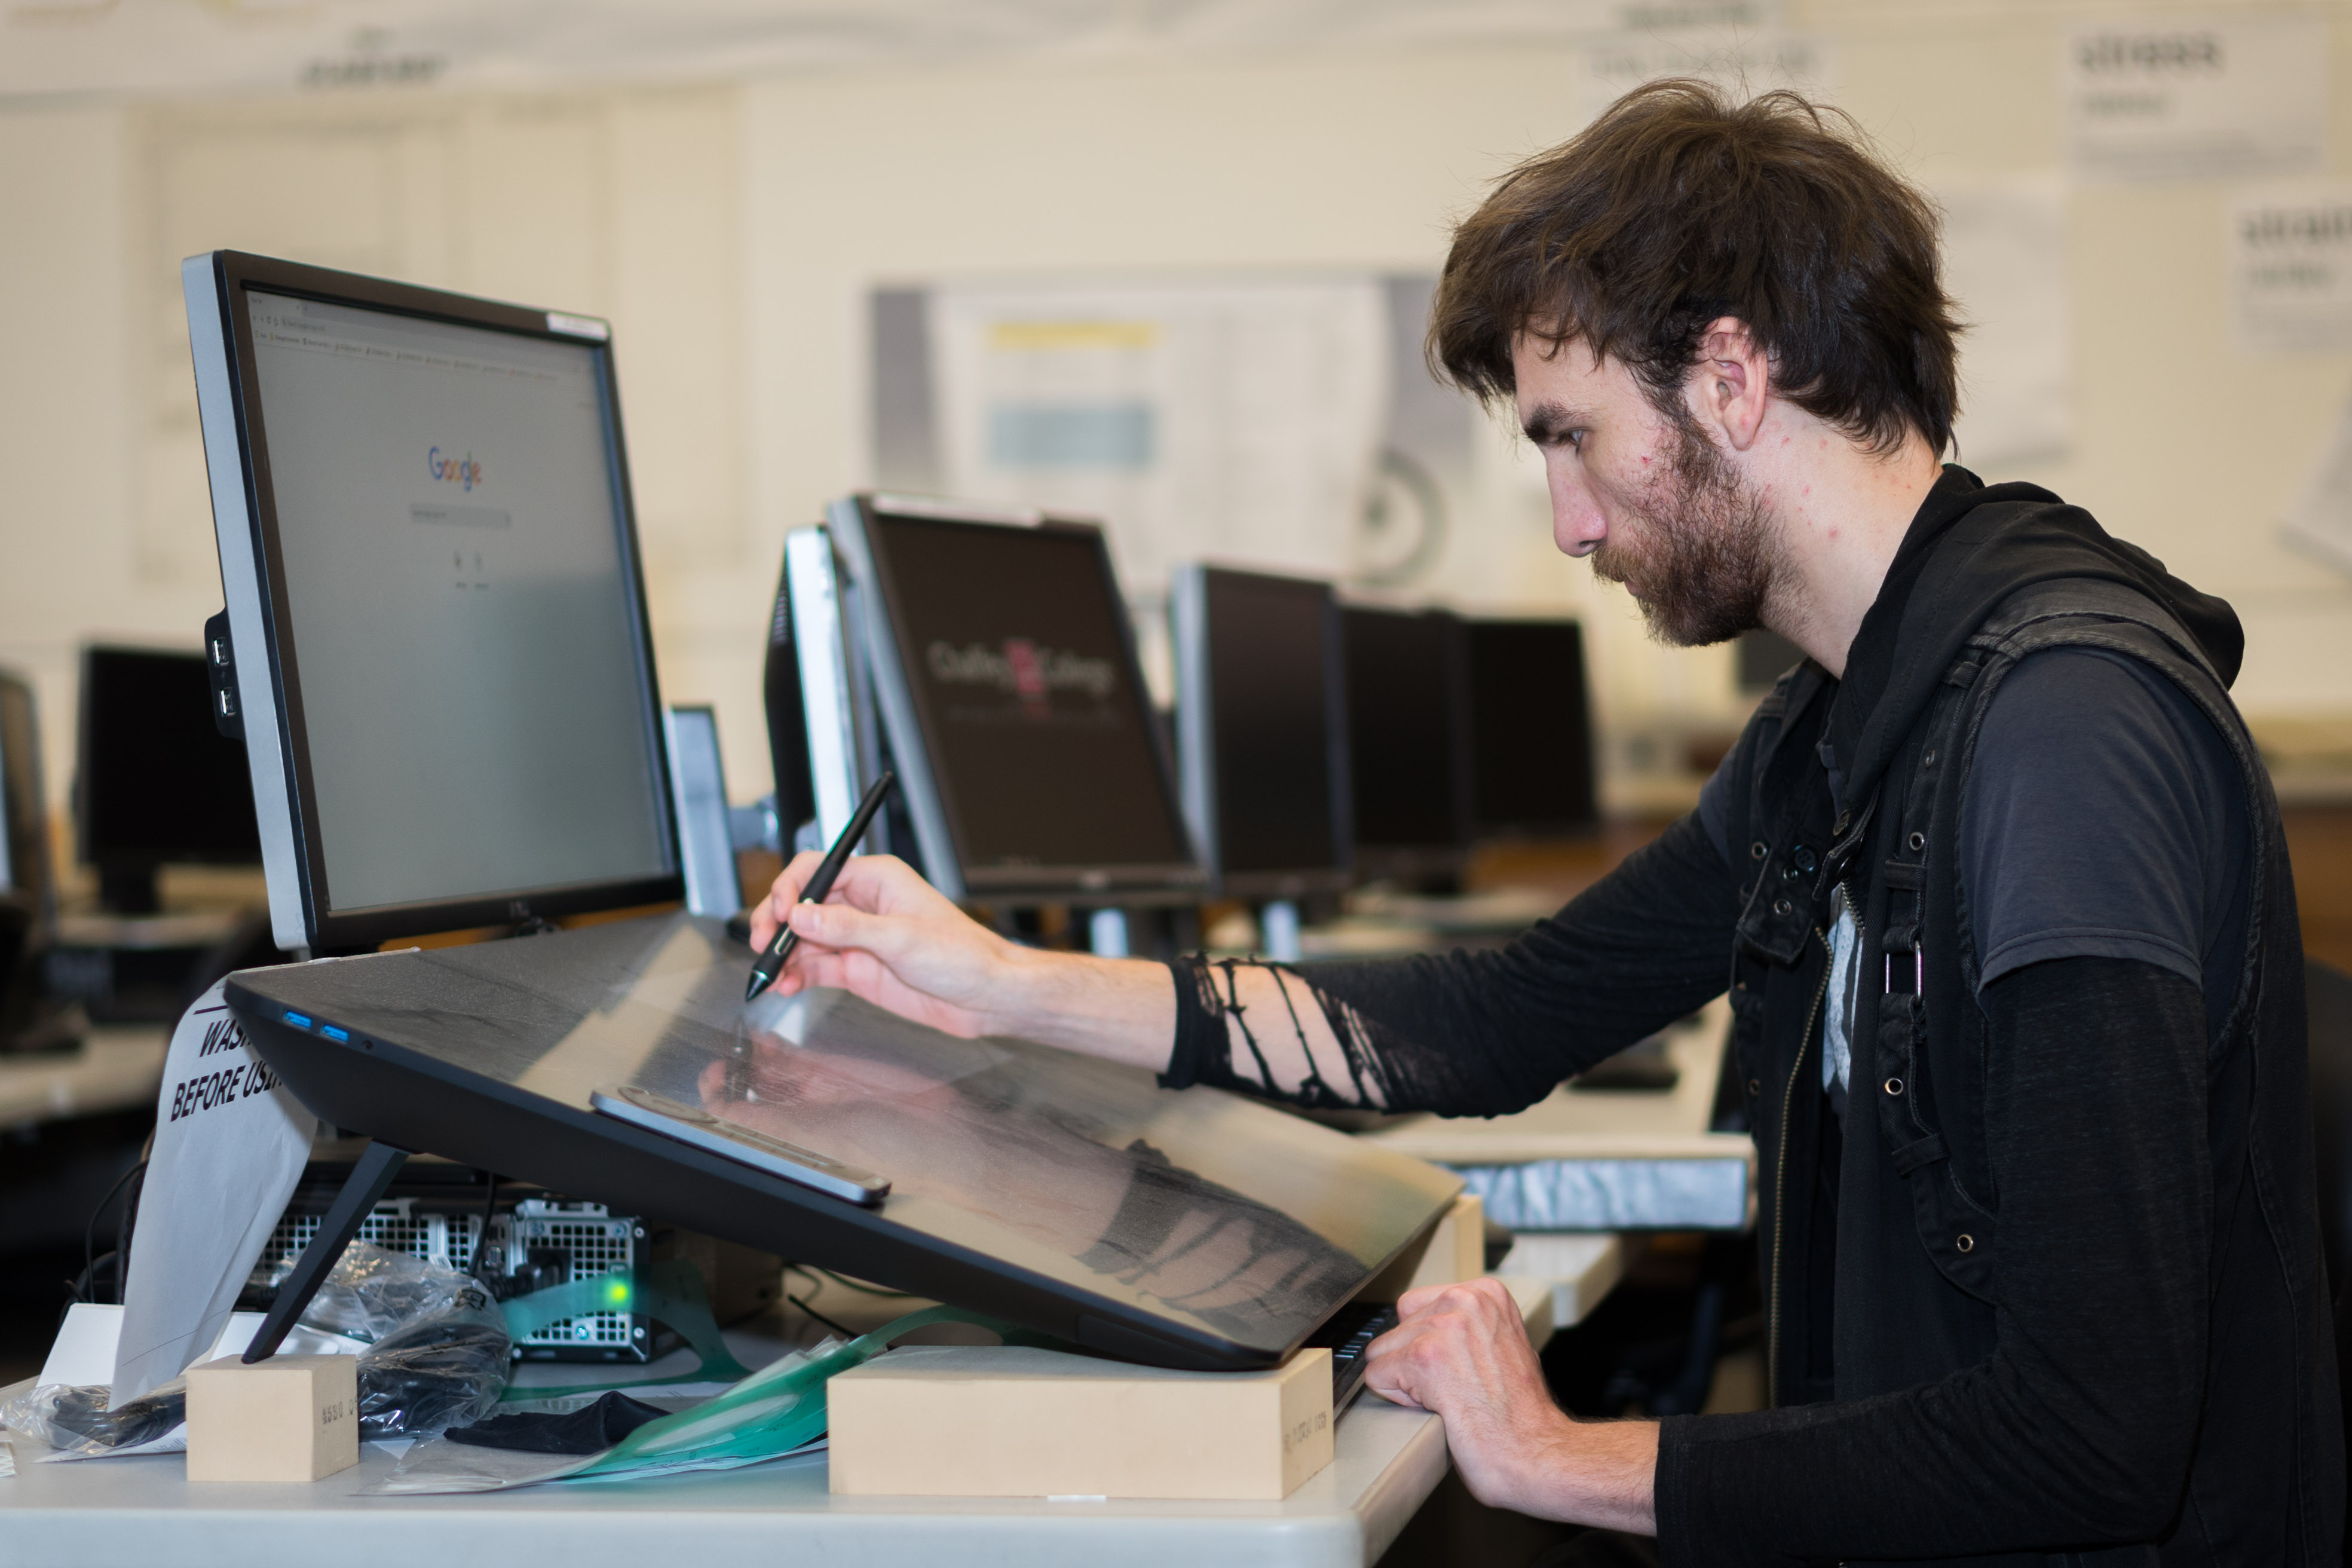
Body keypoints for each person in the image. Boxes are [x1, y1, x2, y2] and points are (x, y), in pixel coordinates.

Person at [748, 81, 2342, 1564]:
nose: (1571, 523)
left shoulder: (2059, 733)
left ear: (1731, 376)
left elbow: (2096, 1431)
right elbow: (1504, 1022)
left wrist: (1563, 1455)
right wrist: (1000, 987)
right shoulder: (1840, 734)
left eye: (1571, 437)